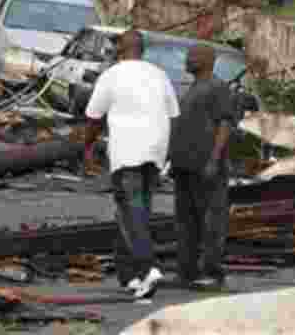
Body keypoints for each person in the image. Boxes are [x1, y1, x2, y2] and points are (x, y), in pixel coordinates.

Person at [84, 30, 179, 299]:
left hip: (128, 153)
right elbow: (174, 116)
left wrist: (87, 146)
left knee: (131, 211)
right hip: (155, 153)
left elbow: (93, 117)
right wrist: (167, 153)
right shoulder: (159, 74)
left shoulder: (112, 75)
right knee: (137, 211)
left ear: (120, 50)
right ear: (142, 50)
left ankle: (148, 268)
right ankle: (131, 277)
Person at [168, 45, 238, 290]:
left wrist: (214, 159)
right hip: (185, 167)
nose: (188, 59)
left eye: (193, 56)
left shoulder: (217, 88)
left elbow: (225, 125)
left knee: (211, 221)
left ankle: (213, 274)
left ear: (208, 60)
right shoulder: (193, 88)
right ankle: (187, 272)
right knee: (186, 222)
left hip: (206, 166)